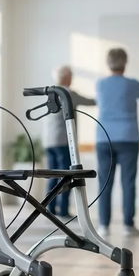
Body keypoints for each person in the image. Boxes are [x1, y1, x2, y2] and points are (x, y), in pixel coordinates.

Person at [95, 48, 139, 237]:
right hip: (128, 137)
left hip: (104, 137)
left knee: (104, 183)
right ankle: (128, 225)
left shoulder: (100, 84)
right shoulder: (131, 84)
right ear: (125, 62)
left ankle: (104, 225)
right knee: (128, 182)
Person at [42, 65, 96, 219]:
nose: (72, 79)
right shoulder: (68, 94)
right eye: (71, 76)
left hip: (49, 142)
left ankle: (50, 208)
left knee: (52, 175)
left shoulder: (50, 93)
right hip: (64, 142)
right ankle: (64, 210)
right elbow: (91, 101)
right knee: (66, 176)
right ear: (66, 77)